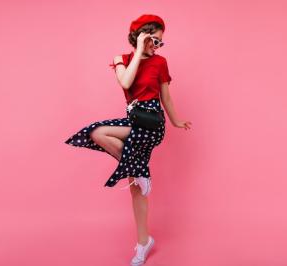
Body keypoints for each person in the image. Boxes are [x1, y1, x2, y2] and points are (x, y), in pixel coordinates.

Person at [64, 14, 192, 265]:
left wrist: (176, 120)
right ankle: (144, 242)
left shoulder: (161, 62)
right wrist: (137, 51)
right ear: (140, 35)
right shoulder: (120, 60)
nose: (157, 46)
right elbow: (125, 81)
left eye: (160, 42)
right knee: (101, 139)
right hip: (134, 122)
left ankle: (139, 170)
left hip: (152, 123)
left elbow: (165, 96)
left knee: (124, 160)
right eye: (153, 39)